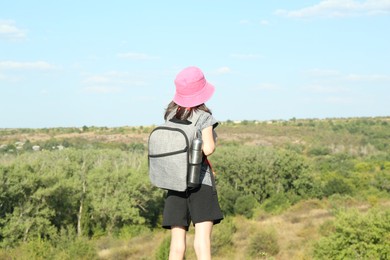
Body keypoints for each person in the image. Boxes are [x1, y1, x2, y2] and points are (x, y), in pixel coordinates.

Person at [162, 66, 223, 260]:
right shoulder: (204, 117)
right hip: (200, 182)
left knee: (177, 244)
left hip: (174, 181)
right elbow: (209, 148)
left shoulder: (170, 116)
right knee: (202, 241)